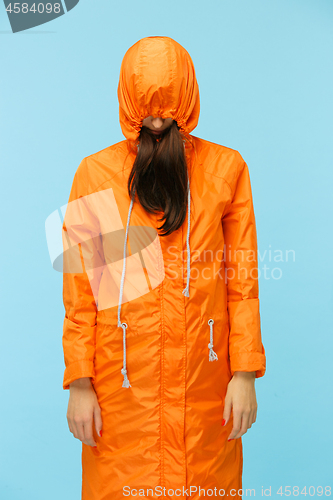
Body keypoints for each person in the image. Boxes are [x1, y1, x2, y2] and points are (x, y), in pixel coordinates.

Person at [62, 36, 266, 500]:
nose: (156, 119)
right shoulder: (95, 175)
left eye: (167, 104)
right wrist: (79, 383)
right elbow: (81, 291)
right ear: (127, 99)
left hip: (206, 391)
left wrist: (245, 374)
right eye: (146, 105)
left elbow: (243, 281)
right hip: (122, 396)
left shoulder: (226, 170)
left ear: (188, 98)